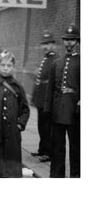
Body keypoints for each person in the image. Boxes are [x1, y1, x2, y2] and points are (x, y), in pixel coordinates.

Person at [44, 24, 80, 178]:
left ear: (77, 42)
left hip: (74, 111)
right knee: (57, 145)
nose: (69, 43)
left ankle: (76, 174)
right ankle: (56, 175)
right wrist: (47, 109)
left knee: (76, 145)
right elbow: (50, 88)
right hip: (58, 110)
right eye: (66, 40)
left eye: (72, 40)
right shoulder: (56, 62)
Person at [31, 31, 58, 162]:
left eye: (48, 44)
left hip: (48, 100)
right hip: (41, 99)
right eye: (44, 44)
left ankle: (49, 152)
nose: (45, 46)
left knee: (48, 128)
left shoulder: (55, 59)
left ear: (53, 45)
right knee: (41, 126)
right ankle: (42, 149)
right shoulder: (46, 58)